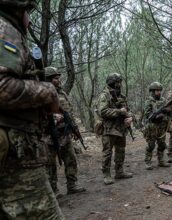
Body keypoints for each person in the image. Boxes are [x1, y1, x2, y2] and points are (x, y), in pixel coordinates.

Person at [0, 0, 64, 218]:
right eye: (27, 11)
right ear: (16, 9)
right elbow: (2, 87)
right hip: (14, 154)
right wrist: (48, 92)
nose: (29, 20)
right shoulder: (4, 29)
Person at [45, 67, 86, 196]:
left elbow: (69, 112)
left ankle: (72, 185)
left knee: (71, 159)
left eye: (58, 78)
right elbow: (36, 114)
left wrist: (74, 128)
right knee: (50, 164)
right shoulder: (42, 93)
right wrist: (51, 118)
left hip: (65, 132)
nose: (58, 80)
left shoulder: (62, 93)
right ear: (47, 80)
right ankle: (53, 190)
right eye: (55, 78)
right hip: (48, 134)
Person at [97, 72, 133, 185]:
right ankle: (107, 175)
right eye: (118, 82)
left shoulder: (122, 97)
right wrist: (119, 111)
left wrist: (130, 118)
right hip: (109, 129)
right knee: (107, 152)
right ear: (112, 82)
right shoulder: (104, 95)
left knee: (120, 151)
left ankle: (119, 171)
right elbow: (102, 111)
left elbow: (128, 110)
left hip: (121, 128)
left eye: (120, 82)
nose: (120, 84)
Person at [143, 82, 171, 170]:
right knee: (151, 145)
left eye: (159, 90)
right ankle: (147, 162)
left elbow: (170, 109)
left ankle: (161, 161)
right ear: (152, 91)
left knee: (162, 144)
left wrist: (166, 111)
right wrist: (156, 116)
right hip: (152, 126)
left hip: (162, 126)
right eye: (157, 91)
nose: (159, 92)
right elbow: (147, 115)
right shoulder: (149, 101)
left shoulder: (163, 100)